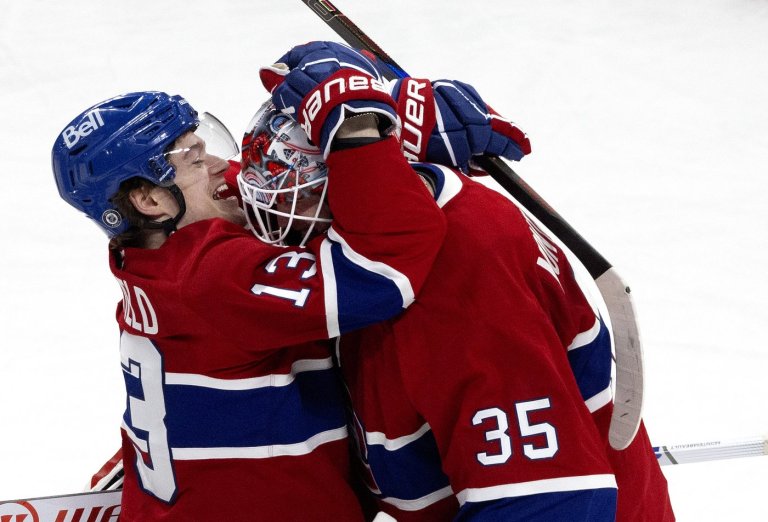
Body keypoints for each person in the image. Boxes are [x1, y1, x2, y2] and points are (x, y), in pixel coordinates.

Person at [247, 41, 674, 522]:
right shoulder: (399, 218)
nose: (269, 206)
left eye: (295, 186)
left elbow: (548, 503)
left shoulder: (462, 280)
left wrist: (365, 122)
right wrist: (383, 110)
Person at [51, 44, 448, 521]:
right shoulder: (217, 275)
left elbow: (258, 182)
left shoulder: (146, 257)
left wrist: (366, 115)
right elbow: (383, 272)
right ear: (150, 201)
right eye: (196, 160)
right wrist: (360, 134)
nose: (223, 166)